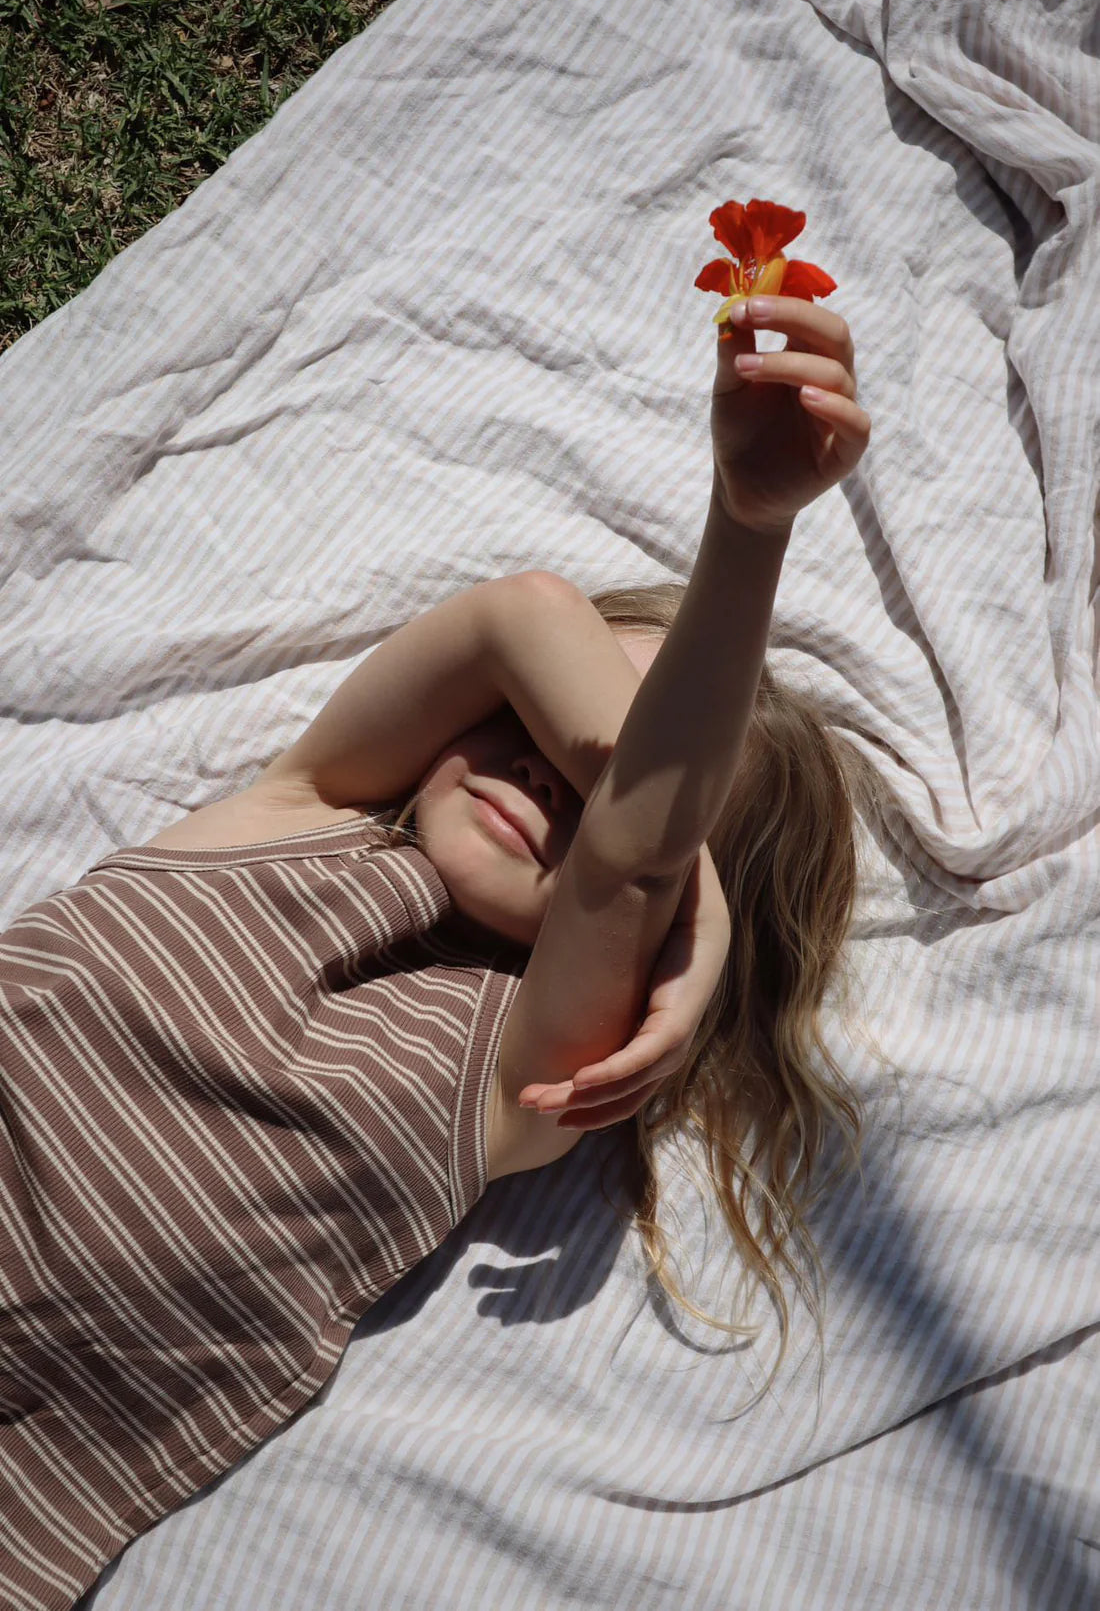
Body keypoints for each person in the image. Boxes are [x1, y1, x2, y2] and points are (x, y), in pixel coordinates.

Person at [0, 293, 875, 1608]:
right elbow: (519, 611)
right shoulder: (301, 810)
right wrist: (674, 856)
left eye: (625, 778)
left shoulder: (518, 1067)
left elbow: (633, 842)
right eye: (551, 716)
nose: (560, 765)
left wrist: (751, 536)